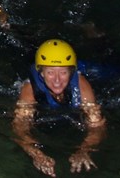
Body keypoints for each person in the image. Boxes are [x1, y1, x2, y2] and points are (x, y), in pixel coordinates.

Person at [13, 39, 106, 176]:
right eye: (50, 72)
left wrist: (84, 150)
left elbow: (97, 125)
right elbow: (20, 127)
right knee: (22, 46)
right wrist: (36, 154)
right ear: (42, 73)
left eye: (63, 72)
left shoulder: (82, 86)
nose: (57, 80)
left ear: (71, 72)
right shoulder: (29, 90)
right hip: (26, 57)